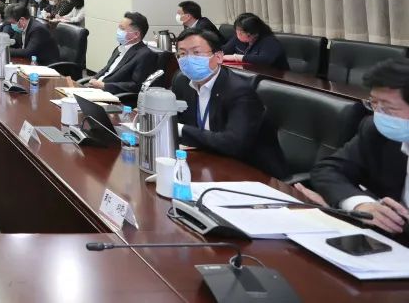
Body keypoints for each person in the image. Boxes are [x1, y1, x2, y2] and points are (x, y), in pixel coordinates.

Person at [304, 58, 409, 236]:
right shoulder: (375, 130)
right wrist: (360, 205)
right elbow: (328, 169)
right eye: (374, 103)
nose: (378, 114)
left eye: (388, 107)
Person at [173, 29, 288, 178]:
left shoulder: (239, 91)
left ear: (219, 57)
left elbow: (233, 144)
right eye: (182, 54)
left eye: (196, 53)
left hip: (253, 172)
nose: (188, 59)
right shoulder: (182, 82)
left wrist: (181, 129)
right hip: (210, 162)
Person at [87, 12, 158, 94]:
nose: (118, 31)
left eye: (122, 29)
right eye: (119, 28)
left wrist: (105, 86)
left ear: (136, 34)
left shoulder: (145, 55)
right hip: (96, 89)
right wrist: (95, 78)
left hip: (112, 95)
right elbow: (106, 69)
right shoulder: (119, 49)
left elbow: (136, 85)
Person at [221, 12, 289, 69]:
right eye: (237, 30)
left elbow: (264, 60)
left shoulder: (270, 42)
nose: (237, 34)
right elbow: (224, 50)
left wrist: (235, 57)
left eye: (241, 32)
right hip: (250, 73)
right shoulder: (238, 39)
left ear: (253, 33)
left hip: (274, 77)